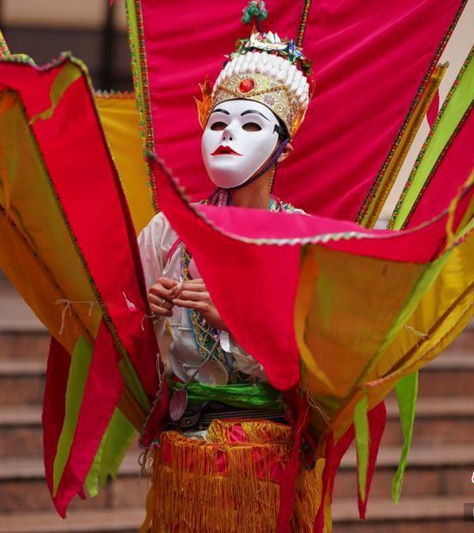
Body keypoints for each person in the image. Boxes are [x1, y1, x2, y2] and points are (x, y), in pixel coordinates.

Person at [137, 30, 321, 532]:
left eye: (250, 123)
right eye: (218, 122)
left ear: (283, 148)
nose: (228, 135)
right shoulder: (166, 232)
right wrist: (147, 310)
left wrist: (238, 320)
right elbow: (122, 330)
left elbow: (322, 358)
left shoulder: (303, 239)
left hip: (265, 459)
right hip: (186, 452)